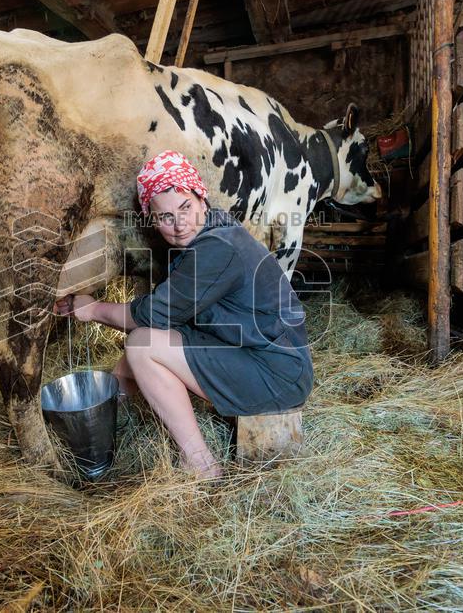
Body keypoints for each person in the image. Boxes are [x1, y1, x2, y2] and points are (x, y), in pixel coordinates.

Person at [53, 150, 313, 479]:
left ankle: (202, 465)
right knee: (134, 356)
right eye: (165, 217)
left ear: (201, 198)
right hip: (254, 352)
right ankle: (106, 420)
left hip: (276, 375)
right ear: (152, 219)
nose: (179, 225)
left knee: (142, 346)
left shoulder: (218, 248)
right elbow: (175, 313)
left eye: (185, 207)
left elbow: (155, 314)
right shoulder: (213, 231)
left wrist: (92, 309)